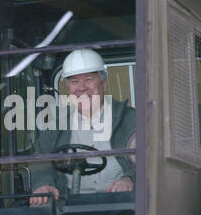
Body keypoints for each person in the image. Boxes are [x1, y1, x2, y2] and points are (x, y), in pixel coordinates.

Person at [29, 49, 135, 205]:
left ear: (104, 84)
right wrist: (43, 184)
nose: (82, 87)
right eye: (74, 82)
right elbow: (40, 161)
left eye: (89, 79)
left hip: (121, 205)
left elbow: (150, 160)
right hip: (67, 207)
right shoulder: (55, 124)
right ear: (69, 88)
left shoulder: (131, 119)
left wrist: (130, 178)